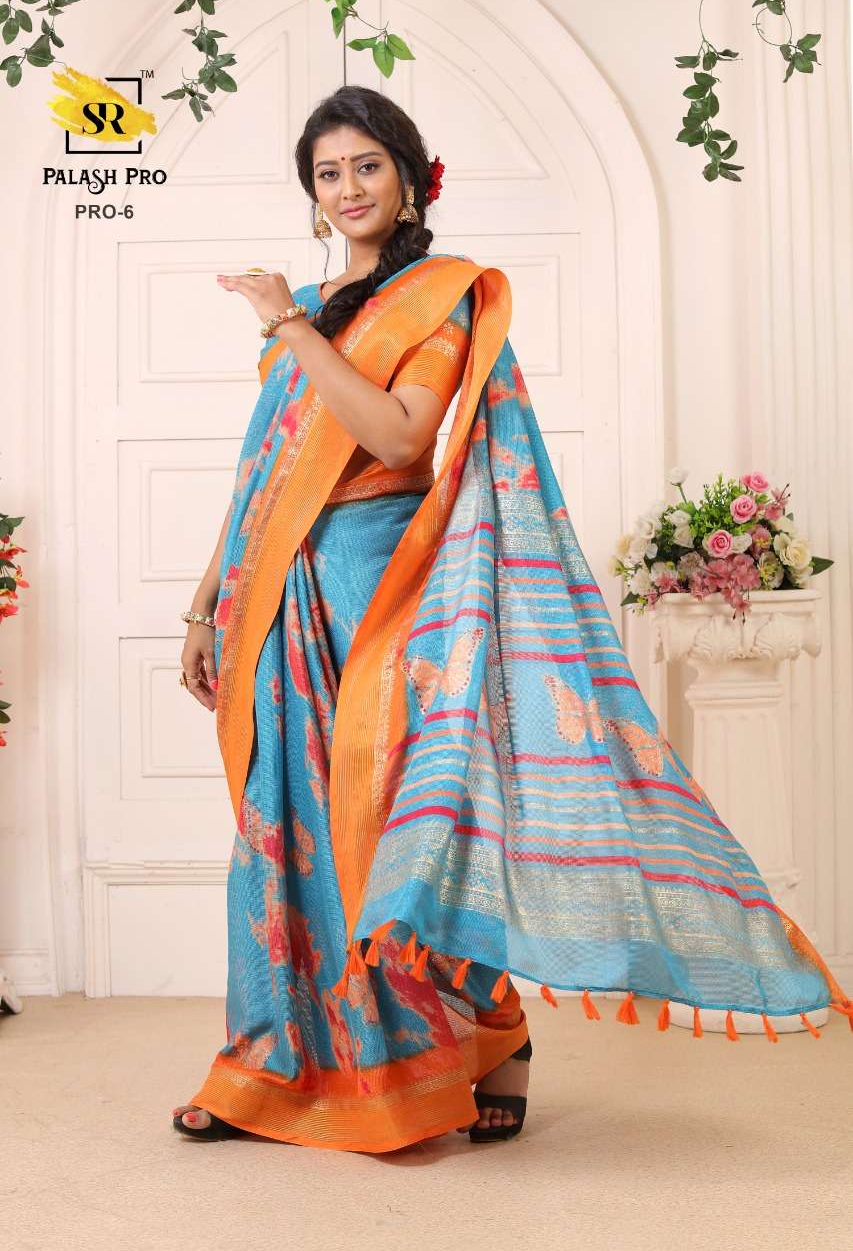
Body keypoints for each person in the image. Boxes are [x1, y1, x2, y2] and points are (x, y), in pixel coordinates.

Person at [171, 85, 852, 1155]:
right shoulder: (303, 310)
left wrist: (290, 327)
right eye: (327, 173)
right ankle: (267, 1061)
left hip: (385, 583)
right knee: (278, 822)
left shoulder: (437, 295)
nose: (347, 188)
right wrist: (207, 600)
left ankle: (491, 1038)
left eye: (366, 166)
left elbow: (399, 438)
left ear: (408, 179)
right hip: (278, 591)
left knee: (405, 824)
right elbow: (264, 466)